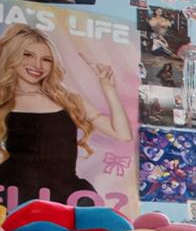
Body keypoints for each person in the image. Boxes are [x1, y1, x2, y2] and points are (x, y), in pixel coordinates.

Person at [0, 25, 132, 204]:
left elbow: (122, 134)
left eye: (46, 59)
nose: (37, 65)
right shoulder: (3, 100)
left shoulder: (68, 99)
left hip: (68, 196)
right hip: (15, 196)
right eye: (28, 55)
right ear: (12, 55)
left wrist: (109, 90)